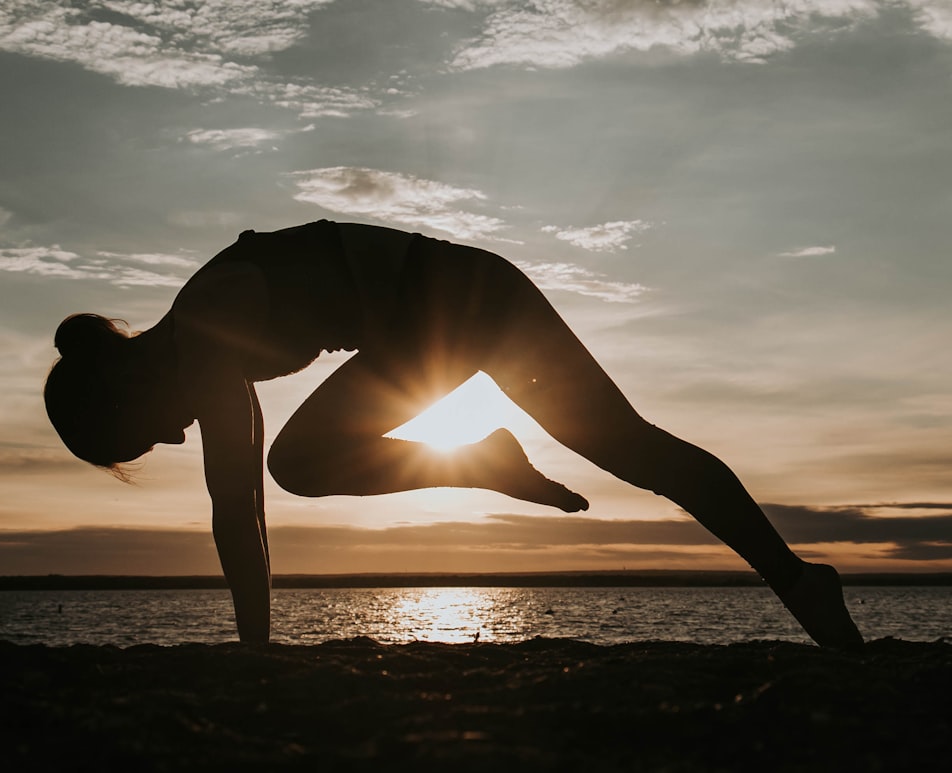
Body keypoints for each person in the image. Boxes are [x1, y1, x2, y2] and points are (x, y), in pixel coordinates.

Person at [44, 220, 864, 648]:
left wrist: (255, 658)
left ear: (119, 390)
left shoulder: (208, 327)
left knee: (634, 446)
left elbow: (236, 504)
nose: (174, 440)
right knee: (634, 447)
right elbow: (245, 507)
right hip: (465, 304)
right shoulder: (203, 339)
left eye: (143, 438)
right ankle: (800, 583)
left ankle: (795, 577)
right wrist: (259, 648)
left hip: (459, 302)